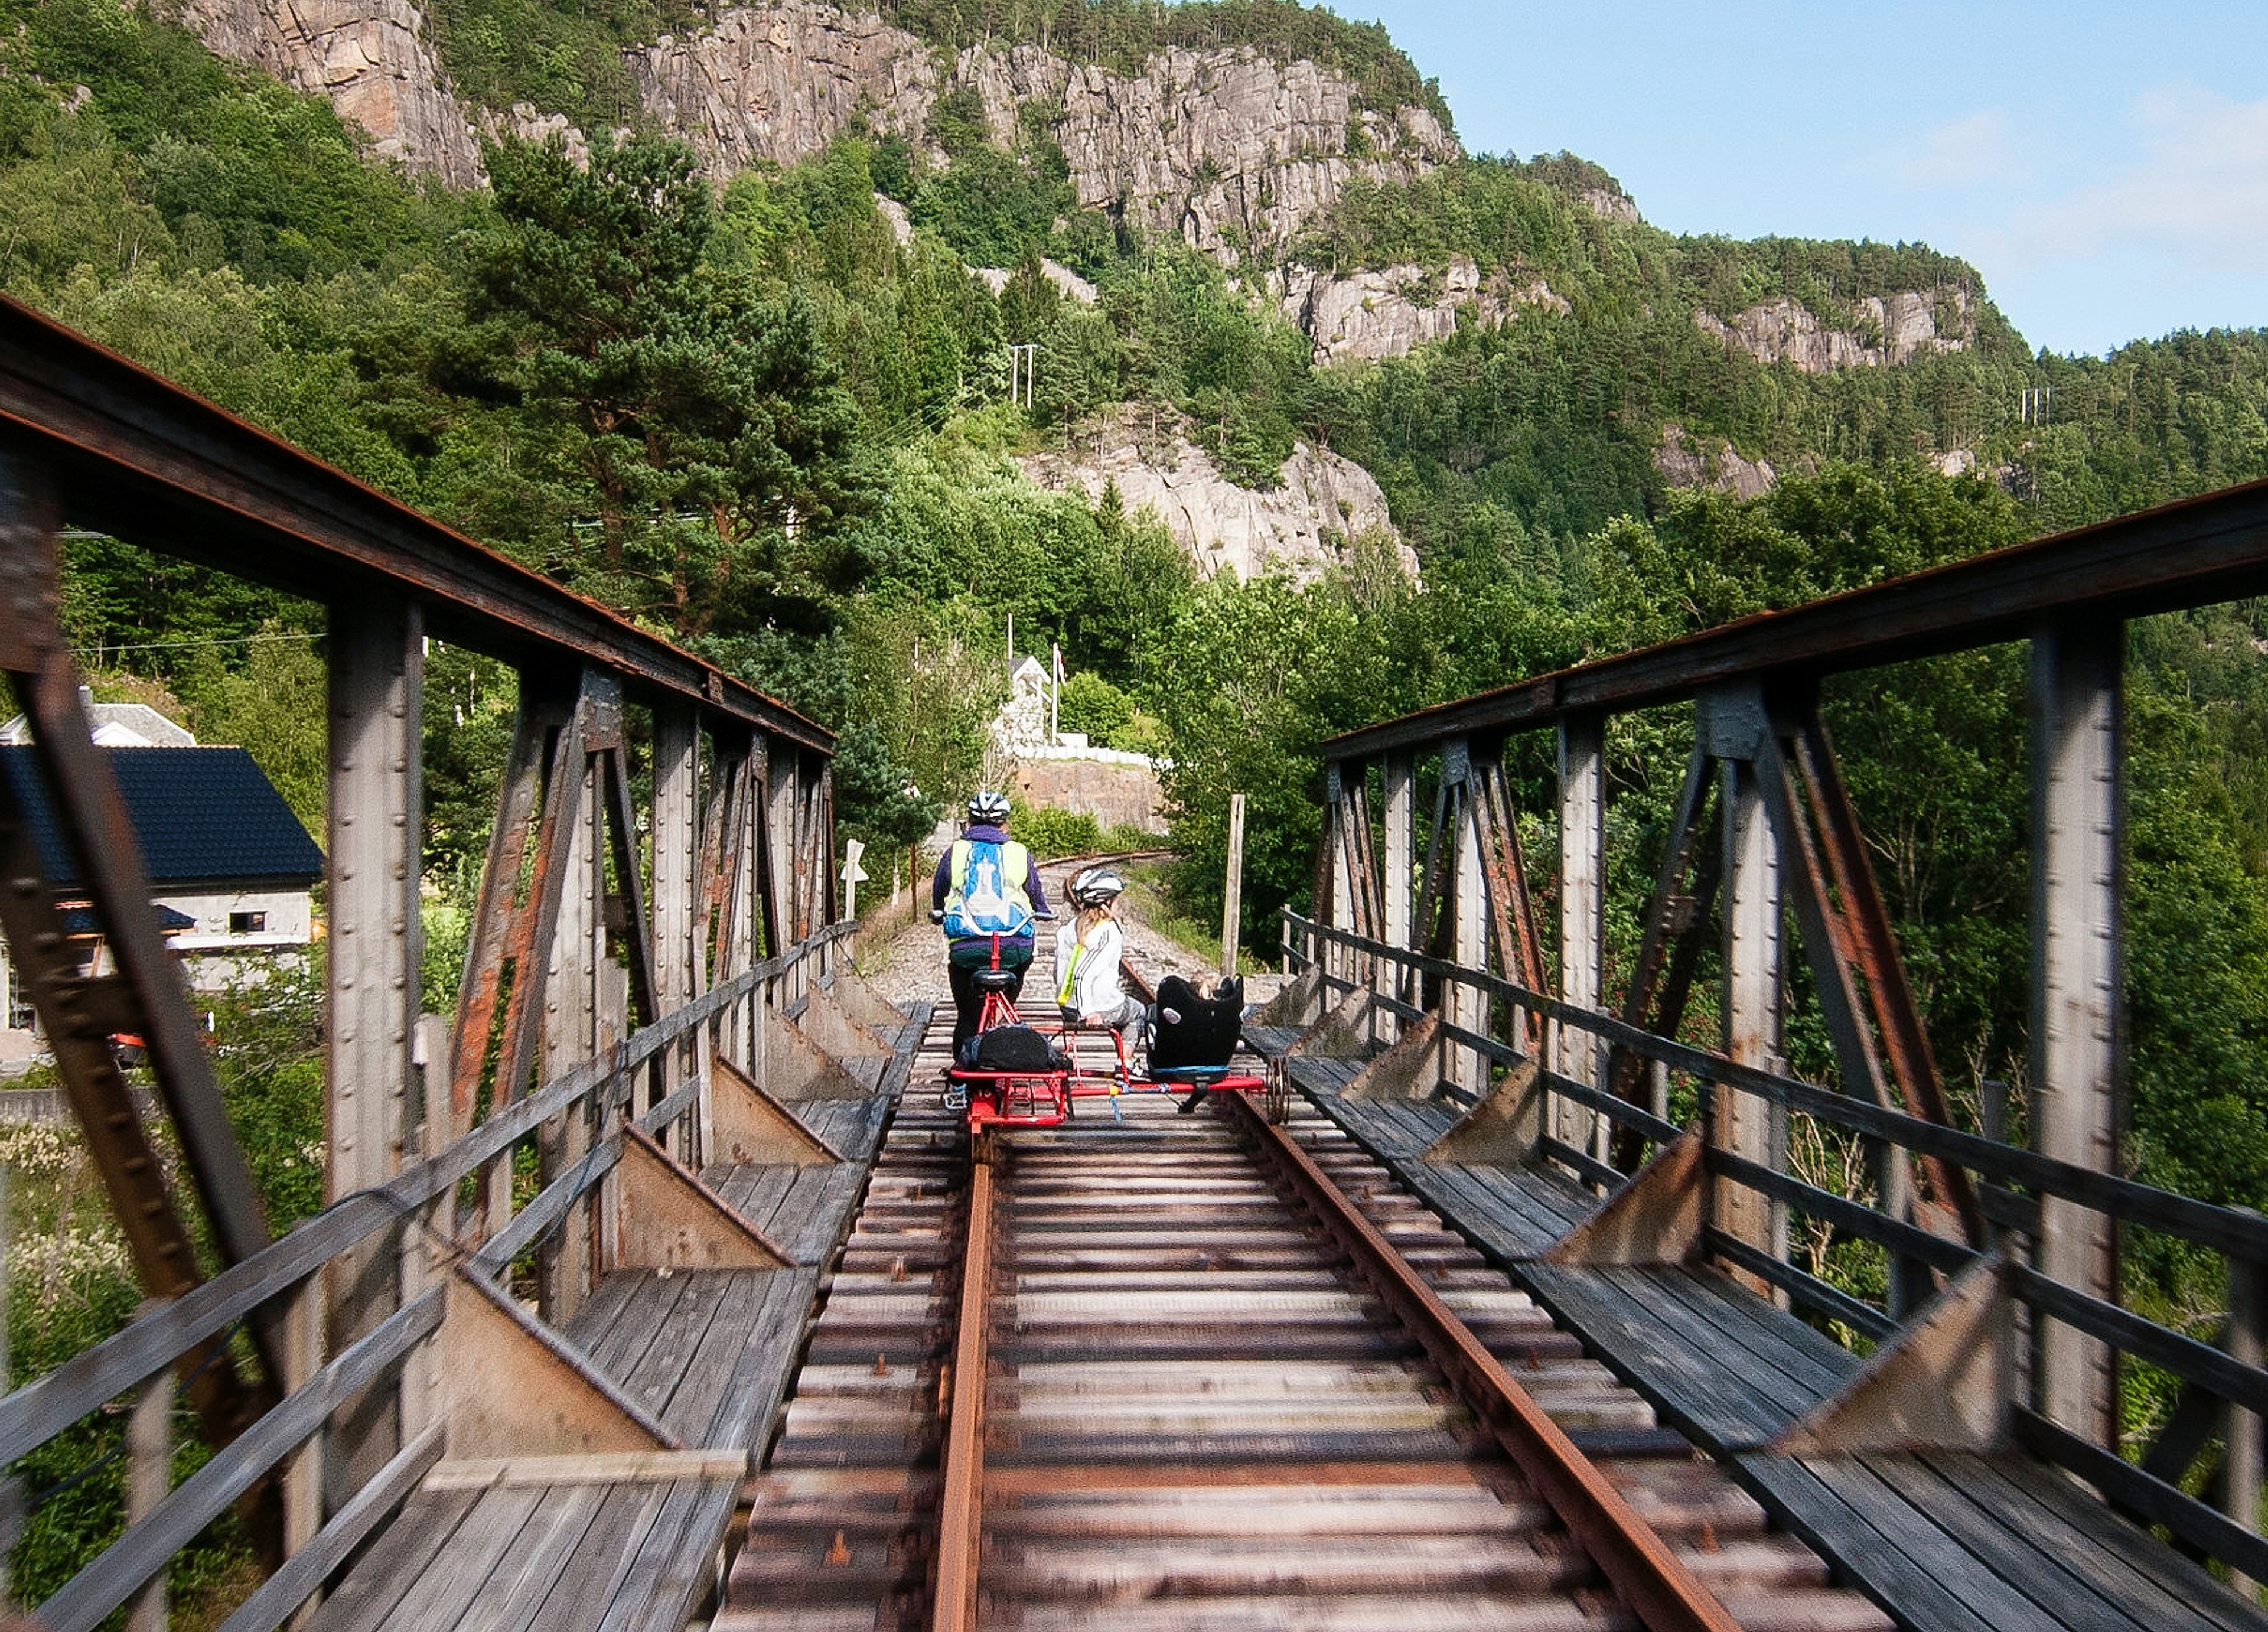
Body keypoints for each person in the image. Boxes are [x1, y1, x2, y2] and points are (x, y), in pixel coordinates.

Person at [932, 790, 1050, 1058]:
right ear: (1004, 824)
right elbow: (1036, 893)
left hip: (967, 946)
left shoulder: (956, 851)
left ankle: (961, 1082)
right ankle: (1005, 1018)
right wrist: (1042, 911)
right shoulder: (1019, 853)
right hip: (1012, 946)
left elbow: (940, 888)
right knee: (1016, 974)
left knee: (966, 1017)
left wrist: (939, 910)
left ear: (970, 823)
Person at [1055, 866, 1148, 1053]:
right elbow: (1081, 974)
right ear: (1106, 902)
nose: (1118, 905)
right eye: (1116, 900)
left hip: (1067, 1006)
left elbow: (1058, 972)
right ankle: (1125, 1063)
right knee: (1138, 1012)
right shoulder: (1108, 932)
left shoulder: (1067, 928)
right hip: (1094, 1007)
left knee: (1126, 1007)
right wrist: (1088, 1011)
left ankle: (1122, 1060)